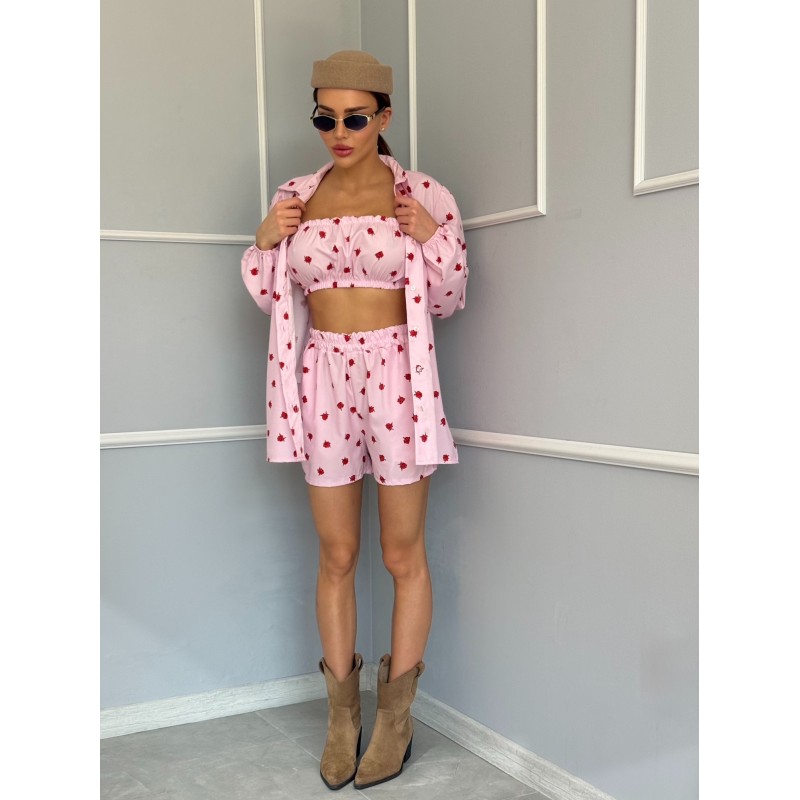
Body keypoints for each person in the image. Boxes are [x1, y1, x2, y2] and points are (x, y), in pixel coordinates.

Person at [241, 50, 468, 791]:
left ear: (384, 117)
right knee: (336, 554)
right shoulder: (295, 196)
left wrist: (430, 234)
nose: (339, 132)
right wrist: (264, 240)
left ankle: (394, 720)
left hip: (397, 374)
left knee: (402, 554)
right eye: (325, 118)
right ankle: (342, 719)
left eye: (355, 118)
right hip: (323, 377)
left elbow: (449, 297)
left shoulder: (421, 194)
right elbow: (270, 295)